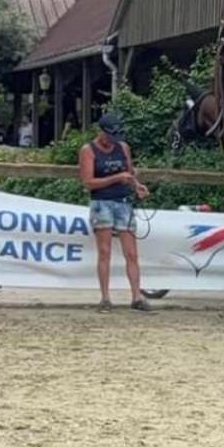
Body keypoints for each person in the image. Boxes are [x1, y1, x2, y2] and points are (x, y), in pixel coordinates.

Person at [78, 113, 152, 313]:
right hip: (102, 202)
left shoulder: (123, 148)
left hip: (123, 202)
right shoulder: (88, 150)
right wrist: (116, 178)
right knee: (105, 252)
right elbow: (88, 182)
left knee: (131, 253)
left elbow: (129, 172)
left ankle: (137, 296)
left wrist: (136, 185)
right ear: (101, 132)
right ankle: (105, 298)